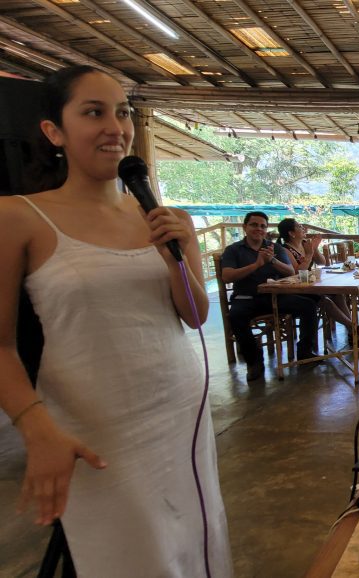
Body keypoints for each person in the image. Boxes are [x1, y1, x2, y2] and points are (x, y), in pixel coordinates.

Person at [0, 66, 232, 576]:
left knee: (194, 543)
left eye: (123, 112)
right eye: (93, 112)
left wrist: (175, 254)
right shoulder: (16, 217)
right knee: (131, 557)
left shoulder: (167, 218)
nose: (115, 126)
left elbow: (195, 317)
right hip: (95, 424)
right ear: (53, 131)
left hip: (179, 411)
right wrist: (36, 429)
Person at [222, 211, 320, 381]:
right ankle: (254, 362)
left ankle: (305, 352)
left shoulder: (275, 247)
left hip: (274, 296)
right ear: (245, 227)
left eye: (263, 226)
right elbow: (227, 276)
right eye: (254, 225)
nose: (258, 229)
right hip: (246, 298)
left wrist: (272, 260)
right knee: (236, 316)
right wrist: (256, 264)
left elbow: (290, 271)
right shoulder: (233, 250)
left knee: (309, 305)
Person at [277, 218, 359, 347]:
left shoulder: (305, 244)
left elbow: (322, 262)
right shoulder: (285, 250)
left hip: (312, 284)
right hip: (297, 290)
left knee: (337, 294)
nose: (303, 229)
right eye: (299, 226)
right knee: (324, 299)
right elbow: (297, 273)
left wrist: (314, 249)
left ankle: (353, 331)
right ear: (291, 233)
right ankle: (354, 330)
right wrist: (309, 254)